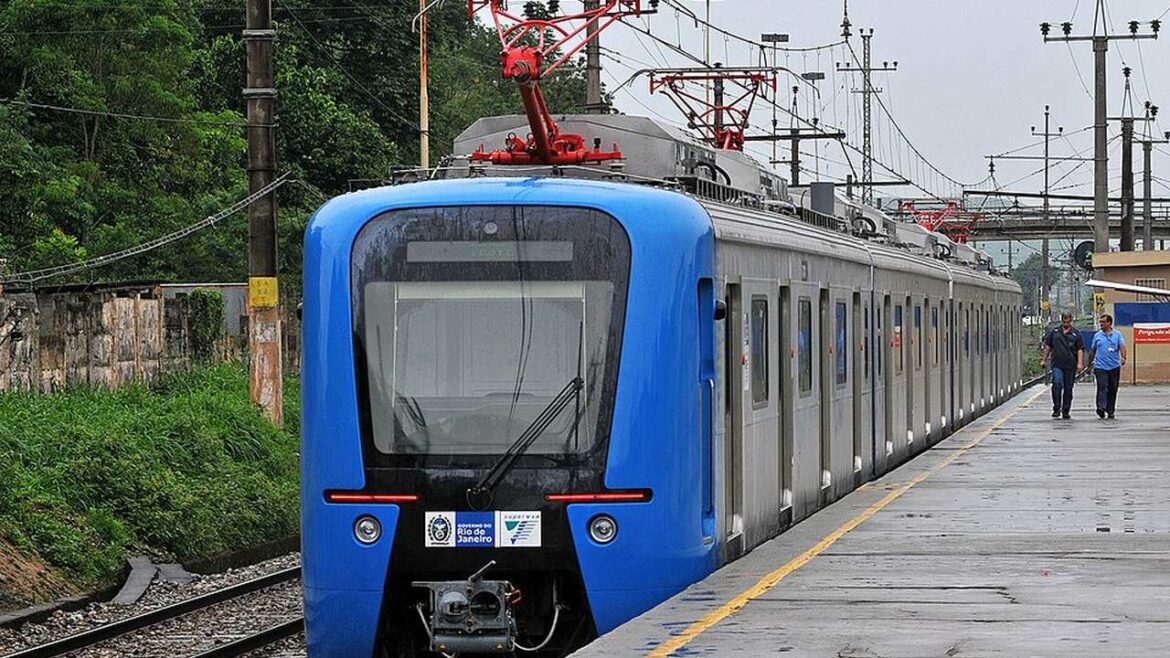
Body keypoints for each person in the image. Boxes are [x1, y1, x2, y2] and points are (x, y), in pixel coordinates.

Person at [1040, 312, 1084, 419]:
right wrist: (1044, 360)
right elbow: (1048, 346)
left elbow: (1080, 349)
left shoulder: (1076, 333)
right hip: (1057, 364)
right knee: (1057, 383)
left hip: (1070, 365)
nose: (1066, 322)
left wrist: (1080, 363)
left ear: (1071, 320)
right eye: (1064, 319)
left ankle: (1066, 410)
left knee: (1068, 388)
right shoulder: (1055, 332)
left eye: (1068, 320)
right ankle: (1056, 408)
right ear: (1062, 319)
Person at [1086, 313, 1127, 419]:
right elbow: (1092, 350)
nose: (1101, 324)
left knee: (1112, 388)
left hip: (1113, 366)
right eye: (1100, 322)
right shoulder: (1097, 335)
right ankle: (1101, 407)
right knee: (1102, 386)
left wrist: (1123, 357)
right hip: (1100, 366)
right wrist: (1089, 364)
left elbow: (1122, 346)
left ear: (1109, 323)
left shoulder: (1117, 335)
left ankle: (1110, 410)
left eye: (1103, 322)